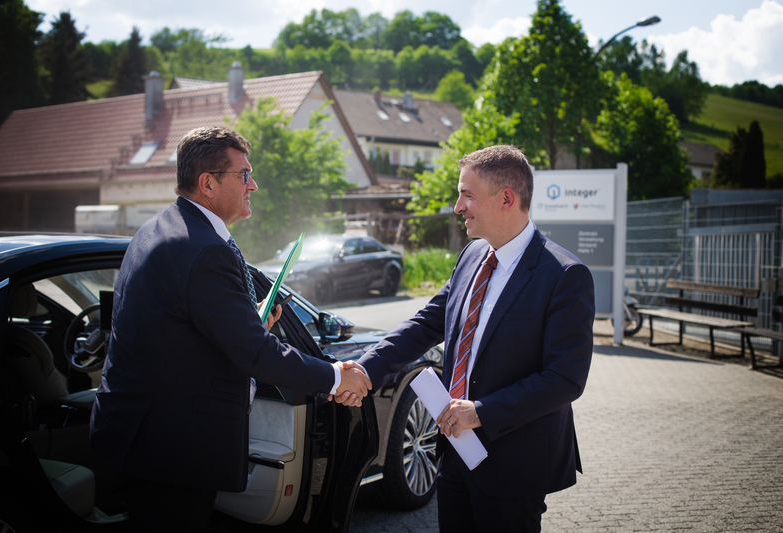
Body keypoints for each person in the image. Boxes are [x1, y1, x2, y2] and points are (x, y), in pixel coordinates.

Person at [89, 126, 371, 532]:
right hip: (173, 450)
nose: (253, 185)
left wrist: (247, 317)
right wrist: (335, 375)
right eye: (244, 175)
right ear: (207, 183)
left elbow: (185, 323)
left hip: (144, 435)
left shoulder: (161, 228)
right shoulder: (205, 250)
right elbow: (255, 353)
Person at [342, 145, 595, 532]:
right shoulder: (472, 255)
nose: (457, 206)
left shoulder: (564, 275)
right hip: (455, 452)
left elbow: (564, 379)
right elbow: (426, 324)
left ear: (507, 198)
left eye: (467, 194)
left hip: (514, 462)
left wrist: (481, 411)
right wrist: (363, 369)